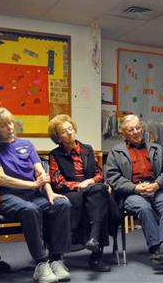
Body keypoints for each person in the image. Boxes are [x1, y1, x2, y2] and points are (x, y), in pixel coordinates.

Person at [0, 108, 71, 283]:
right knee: (30, 209)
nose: (11, 127)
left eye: (11, 122)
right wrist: (33, 185)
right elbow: (0, 178)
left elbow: (41, 174)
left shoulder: (27, 144)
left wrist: (51, 194)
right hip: (8, 196)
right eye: (4, 125)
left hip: (34, 194)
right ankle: (41, 263)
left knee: (62, 204)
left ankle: (56, 259)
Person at [104, 114, 163, 273]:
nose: (136, 131)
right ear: (123, 133)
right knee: (144, 208)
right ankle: (157, 249)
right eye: (131, 129)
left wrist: (157, 184)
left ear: (142, 128)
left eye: (138, 127)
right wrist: (135, 188)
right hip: (131, 192)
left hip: (156, 187)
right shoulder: (116, 152)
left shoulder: (157, 148)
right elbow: (112, 177)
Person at [48, 114, 113, 272]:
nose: (69, 133)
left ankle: (94, 240)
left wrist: (89, 182)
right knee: (100, 194)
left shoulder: (88, 149)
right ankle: (96, 254)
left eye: (70, 128)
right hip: (71, 192)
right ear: (58, 137)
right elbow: (57, 181)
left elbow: (99, 174)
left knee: (98, 191)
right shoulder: (55, 155)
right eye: (64, 131)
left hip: (91, 187)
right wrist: (79, 186)